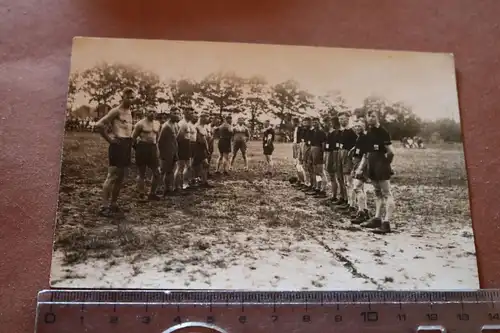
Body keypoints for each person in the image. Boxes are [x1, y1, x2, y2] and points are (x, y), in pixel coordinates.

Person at [94, 87, 136, 217]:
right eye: (128, 97)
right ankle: (104, 206)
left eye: (132, 97)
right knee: (112, 176)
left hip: (127, 144)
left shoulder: (129, 112)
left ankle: (113, 203)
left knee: (121, 177)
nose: (130, 99)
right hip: (117, 144)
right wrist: (110, 140)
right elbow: (99, 125)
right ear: (122, 97)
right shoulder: (115, 111)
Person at [356, 110, 395, 234]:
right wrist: (362, 168)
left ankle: (387, 222)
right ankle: (377, 218)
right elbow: (366, 153)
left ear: (378, 118)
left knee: (386, 193)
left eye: (373, 116)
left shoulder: (383, 132)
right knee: (377, 193)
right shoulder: (369, 133)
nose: (370, 118)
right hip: (371, 164)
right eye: (369, 116)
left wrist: (385, 164)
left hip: (380, 164)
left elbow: (391, 152)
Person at [131, 109, 161, 201]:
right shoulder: (140, 124)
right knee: (142, 173)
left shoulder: (157, 123)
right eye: (150, 111)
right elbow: (133, 138)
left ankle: (152, 193)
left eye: (154, 111)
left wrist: (156, 147)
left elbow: (158, 136)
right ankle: (141, 193)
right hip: (142, 147)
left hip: (153, 148)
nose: (152, 113)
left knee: (157, 172)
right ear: (146, 112)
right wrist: (137, 149)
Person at [336, 112, 357, 215]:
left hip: (348, 156)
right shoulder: (341, 131)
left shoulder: (352, 131)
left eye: (343, 119)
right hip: (340, 154)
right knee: (343, 179)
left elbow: (358, 143)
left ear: (348, 119)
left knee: (349, 181)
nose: (341, 121)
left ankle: (352, 205)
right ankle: (346, 200)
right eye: (340, 119)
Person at [350, 120, 371, 224]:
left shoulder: (364, 138)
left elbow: (366, 154)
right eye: (355, 126)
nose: (357, 128)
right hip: (357, 163)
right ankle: (365, 210)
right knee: (361, 188)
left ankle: (361, 212)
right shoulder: (359, 138)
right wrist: (353, 149)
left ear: (363, 127)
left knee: (357, 188)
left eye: (359, 126)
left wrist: (360, 168)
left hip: (361, 164)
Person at [158, 109, 180, 197]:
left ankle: (168, 188)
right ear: (170, 114)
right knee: (163, 171)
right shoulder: (166, 126)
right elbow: (160, 141)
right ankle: (158, 189)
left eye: (178, 113)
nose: (176, 115)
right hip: (166, 152)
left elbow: (175, 140)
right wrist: (162, 154)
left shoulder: (176, 125)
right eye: (175, 113)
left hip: (173, 150)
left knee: (171, 171)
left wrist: (176, 151)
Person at [174, 108, 193, 193]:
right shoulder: (182, 124)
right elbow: (178, 138)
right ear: (185, 114)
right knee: (180, 167)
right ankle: (176, 186)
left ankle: (185, 184)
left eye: (192, 113)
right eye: (190, 113)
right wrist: (178, 148)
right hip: (182, 146)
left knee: (188, 166)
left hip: (187, 145)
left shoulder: (187, 123)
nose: (192, 115)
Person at [307, 117, 327, 197]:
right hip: (312, 150)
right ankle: (317, 188)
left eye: (316, 122)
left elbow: (323, 144)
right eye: (313, 122)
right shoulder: (312, 132)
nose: (314, 124)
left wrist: (322, 154)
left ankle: (323, 190)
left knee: (320, 171)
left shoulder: (321, 132)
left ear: (319, 122)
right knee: (315, 171)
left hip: (318, 151)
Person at [192, 114, 214, 188]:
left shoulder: (204, 127)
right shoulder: (197, 127)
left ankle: (204, 182)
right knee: (196, 165)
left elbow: (205, 139)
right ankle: (195, 181)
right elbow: (200, 140)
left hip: (202, 148)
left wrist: (207, 148)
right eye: (206, 117)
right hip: (197, 147)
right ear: (202, 118)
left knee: (205, 165)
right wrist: (206, 148)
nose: (207, 119)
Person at [324, 116, 341, 202]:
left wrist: (334, 160)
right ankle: (334, 194)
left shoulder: (338, 133)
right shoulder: (330, 133)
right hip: (329, 153)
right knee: (331, 175)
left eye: (332, 122)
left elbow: (336, 148)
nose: (330, 124)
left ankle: (339, 196)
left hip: (335, 154)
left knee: (337, 176)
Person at [300, 118, 313, 192]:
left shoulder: (311, 132)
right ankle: (306, 183)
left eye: (306, 123)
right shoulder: (303, 131)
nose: (305, 125)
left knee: (309, 169)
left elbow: (310, 144)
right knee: (304, 168)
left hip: (309, 151)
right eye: (303, 123)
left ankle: (310, 184)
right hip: (303, 149)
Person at [291, 117, 305, 187]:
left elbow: (302, 141)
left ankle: (302, 181)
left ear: (295, 122)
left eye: (292, 122)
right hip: (295, 146)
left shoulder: (301, 129)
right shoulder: (295, 129)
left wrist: (299, 148)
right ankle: (299, 180)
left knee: (299, 164)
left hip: (299, 146)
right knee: (295, 164)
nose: (292, 123)